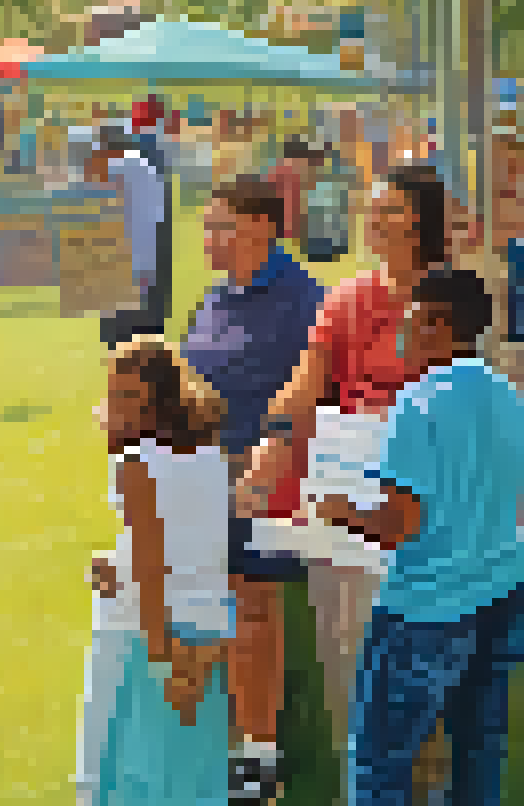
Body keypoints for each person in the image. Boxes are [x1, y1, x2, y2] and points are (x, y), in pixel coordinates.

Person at [241, 164, 447, 764]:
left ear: (419, 223)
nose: (372, 218)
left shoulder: (452, 297)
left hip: (424, 502)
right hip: (348, 490)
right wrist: (267, 455)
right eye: (373, 208)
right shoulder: (348, 299)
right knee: (351, 664)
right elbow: (305, 382)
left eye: (388, 210)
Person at [314, 268, 524, 805]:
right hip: (501, 598)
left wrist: (337, 510)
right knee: (479, 752)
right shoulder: (508, 396)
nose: (402, 329)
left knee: (381, 764)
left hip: (423, 612)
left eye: (409, 317)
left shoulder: (415, 405)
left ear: (437, 322)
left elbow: (401, 525)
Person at [178, 176, 328, 804]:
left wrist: (263, 456)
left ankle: (259, 757)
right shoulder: (212, 298)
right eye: (208, 227)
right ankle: (217, 743)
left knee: (254, 610)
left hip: (263, 480)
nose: (210, 239)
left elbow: (317, 395)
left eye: (223, 226)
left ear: (265, 226)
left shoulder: (304, 300)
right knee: (202, 609)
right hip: (197, 476)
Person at [79, 338, 234, 806]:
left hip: (149, 637)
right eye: (112, 394)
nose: (113, 408)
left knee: (133, 775)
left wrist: (164, 659)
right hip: (206, 630)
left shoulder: (134, 463)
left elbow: (152, 568)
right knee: (194, 775)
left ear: (157, 400)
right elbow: (191, 548)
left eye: (127, 396)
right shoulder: (212, 458)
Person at [93, 129, 170, 348]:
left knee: (122, 347)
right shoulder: (143, 167)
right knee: (147, 344)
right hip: (148, 268)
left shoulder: (121, 168)